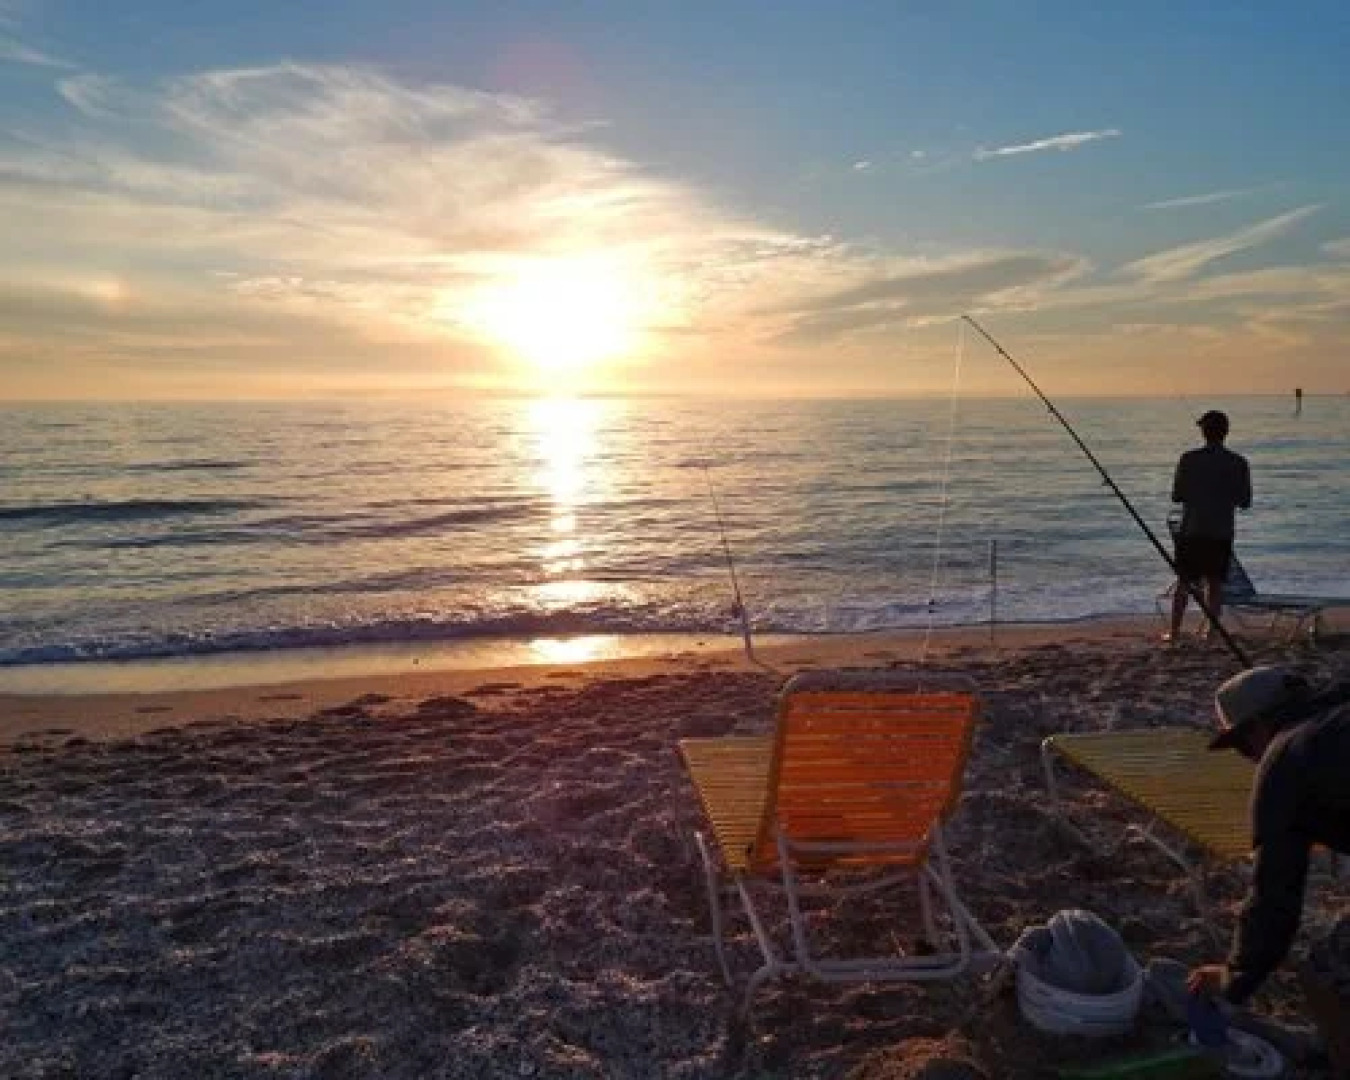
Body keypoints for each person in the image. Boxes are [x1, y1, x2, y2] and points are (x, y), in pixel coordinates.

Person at [1187, 665, 1350, 1063]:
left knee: (1326, 972)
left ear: (1258, 727)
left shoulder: (1285, 761)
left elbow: (1274, 901)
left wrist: (1234, 978)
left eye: (1243, 745)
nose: (1249, 759)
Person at [1166, 409, 1252, 643]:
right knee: (1214, 583)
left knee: (1184, 583)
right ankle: (1211, 633)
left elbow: (1177, 496)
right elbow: (1245, 501)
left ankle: (1174, 632)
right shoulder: (1239, 463)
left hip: (1192, 530)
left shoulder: (1188, 459)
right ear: (1226, 432)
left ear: (1203, 432)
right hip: (1221, 532)